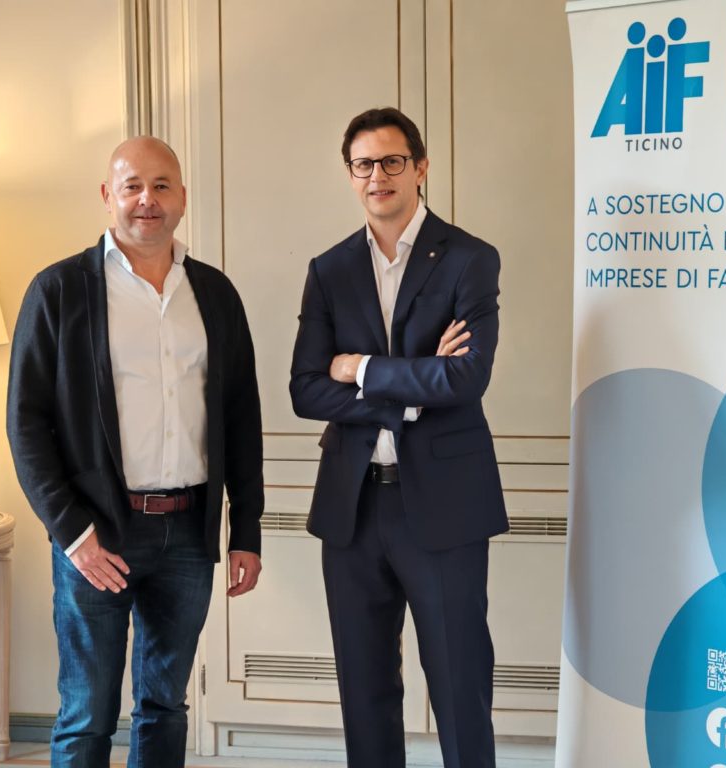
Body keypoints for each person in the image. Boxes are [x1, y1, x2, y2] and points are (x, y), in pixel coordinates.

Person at [7, 136, 263, 768]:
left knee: (165, 706)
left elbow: (241, 417)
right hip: (95, 534)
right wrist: (72, 533)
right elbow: (25, 425)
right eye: (132, 186)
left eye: (162, 185)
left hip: (189, 531)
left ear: (182, 198)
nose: (147, 199)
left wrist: (246, 530)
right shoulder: (58, 290)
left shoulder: (215, 295)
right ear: (107, 196)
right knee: (86, 714)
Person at [290, 107, 508, 768]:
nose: (377, 176)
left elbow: (466, 378)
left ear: (420, 168)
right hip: (353, 509)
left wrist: (360, 369)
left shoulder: (469, 259)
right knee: (365, 694)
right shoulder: (329, 270)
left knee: (459, 688)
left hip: (444, 507)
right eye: (363, 164)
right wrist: (411, 394)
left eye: (391, 161)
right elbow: (305, 390)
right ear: (350, 174)